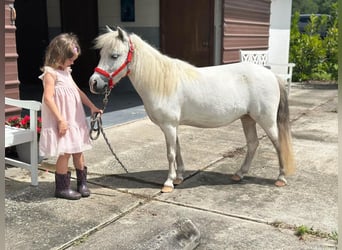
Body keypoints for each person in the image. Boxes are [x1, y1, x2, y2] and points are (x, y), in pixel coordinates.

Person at [39, 33, 102, 200]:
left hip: (75, 118)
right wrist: (60, 120)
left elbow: (78, 91)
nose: (73, 62)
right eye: (71, 59)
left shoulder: (67, 72)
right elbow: (48, 98)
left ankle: (82, 183)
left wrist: (92, 106)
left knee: (78, 150)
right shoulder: (50, 73)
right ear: (59, 55)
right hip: (63, 118)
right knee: (65, 152)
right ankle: (62, 188)